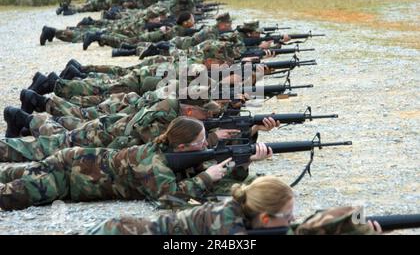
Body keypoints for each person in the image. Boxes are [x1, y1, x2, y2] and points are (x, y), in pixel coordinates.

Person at [0, 117, 271, 211]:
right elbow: (168, 199)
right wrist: (206, 178)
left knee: (20, 173)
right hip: (66, 174)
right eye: (201, 142)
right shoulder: (152, 162)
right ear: (182, 147)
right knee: (9, 196)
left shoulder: (171, 156)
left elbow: (220, 181)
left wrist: (244, 160)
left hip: (71, 171)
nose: (206, 146)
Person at [87, 175, 383, 235]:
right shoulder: (226, 226)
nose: (294, 219)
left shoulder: (242, 208)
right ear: (265, 220)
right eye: (289, 215)